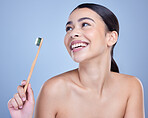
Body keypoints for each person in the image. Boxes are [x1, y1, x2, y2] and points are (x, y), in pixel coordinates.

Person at [8, 3, 145, 118]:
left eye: (85, 24)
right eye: (69, 28)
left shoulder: (132, 87)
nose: (72, 33)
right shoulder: (53, 90)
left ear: (111, 37)